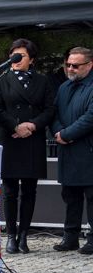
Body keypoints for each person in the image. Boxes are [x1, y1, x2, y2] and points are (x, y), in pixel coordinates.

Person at [0, 38, 56, 254]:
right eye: (13, 55)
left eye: (21, 56)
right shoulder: (1, 79)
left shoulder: (42, 81)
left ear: (32, 59)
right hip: (10, 138)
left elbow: (50, 109)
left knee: (30, 190)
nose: (16, 59)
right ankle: (11, 235)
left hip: (32, 138)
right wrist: (16, 126)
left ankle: (23, 236)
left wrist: (33, 124)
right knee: (10, 190)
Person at [50, 46, 93, 253]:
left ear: (90, 65)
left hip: (88, 150)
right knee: (70, 196)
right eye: (68, 65)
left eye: (76, 65)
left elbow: (90, 118)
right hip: (67, 151)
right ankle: (70, 237)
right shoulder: (64, 87)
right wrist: (58, 132)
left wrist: (66, 134)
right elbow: (54, 113)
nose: (70, 69)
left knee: (92, 197)